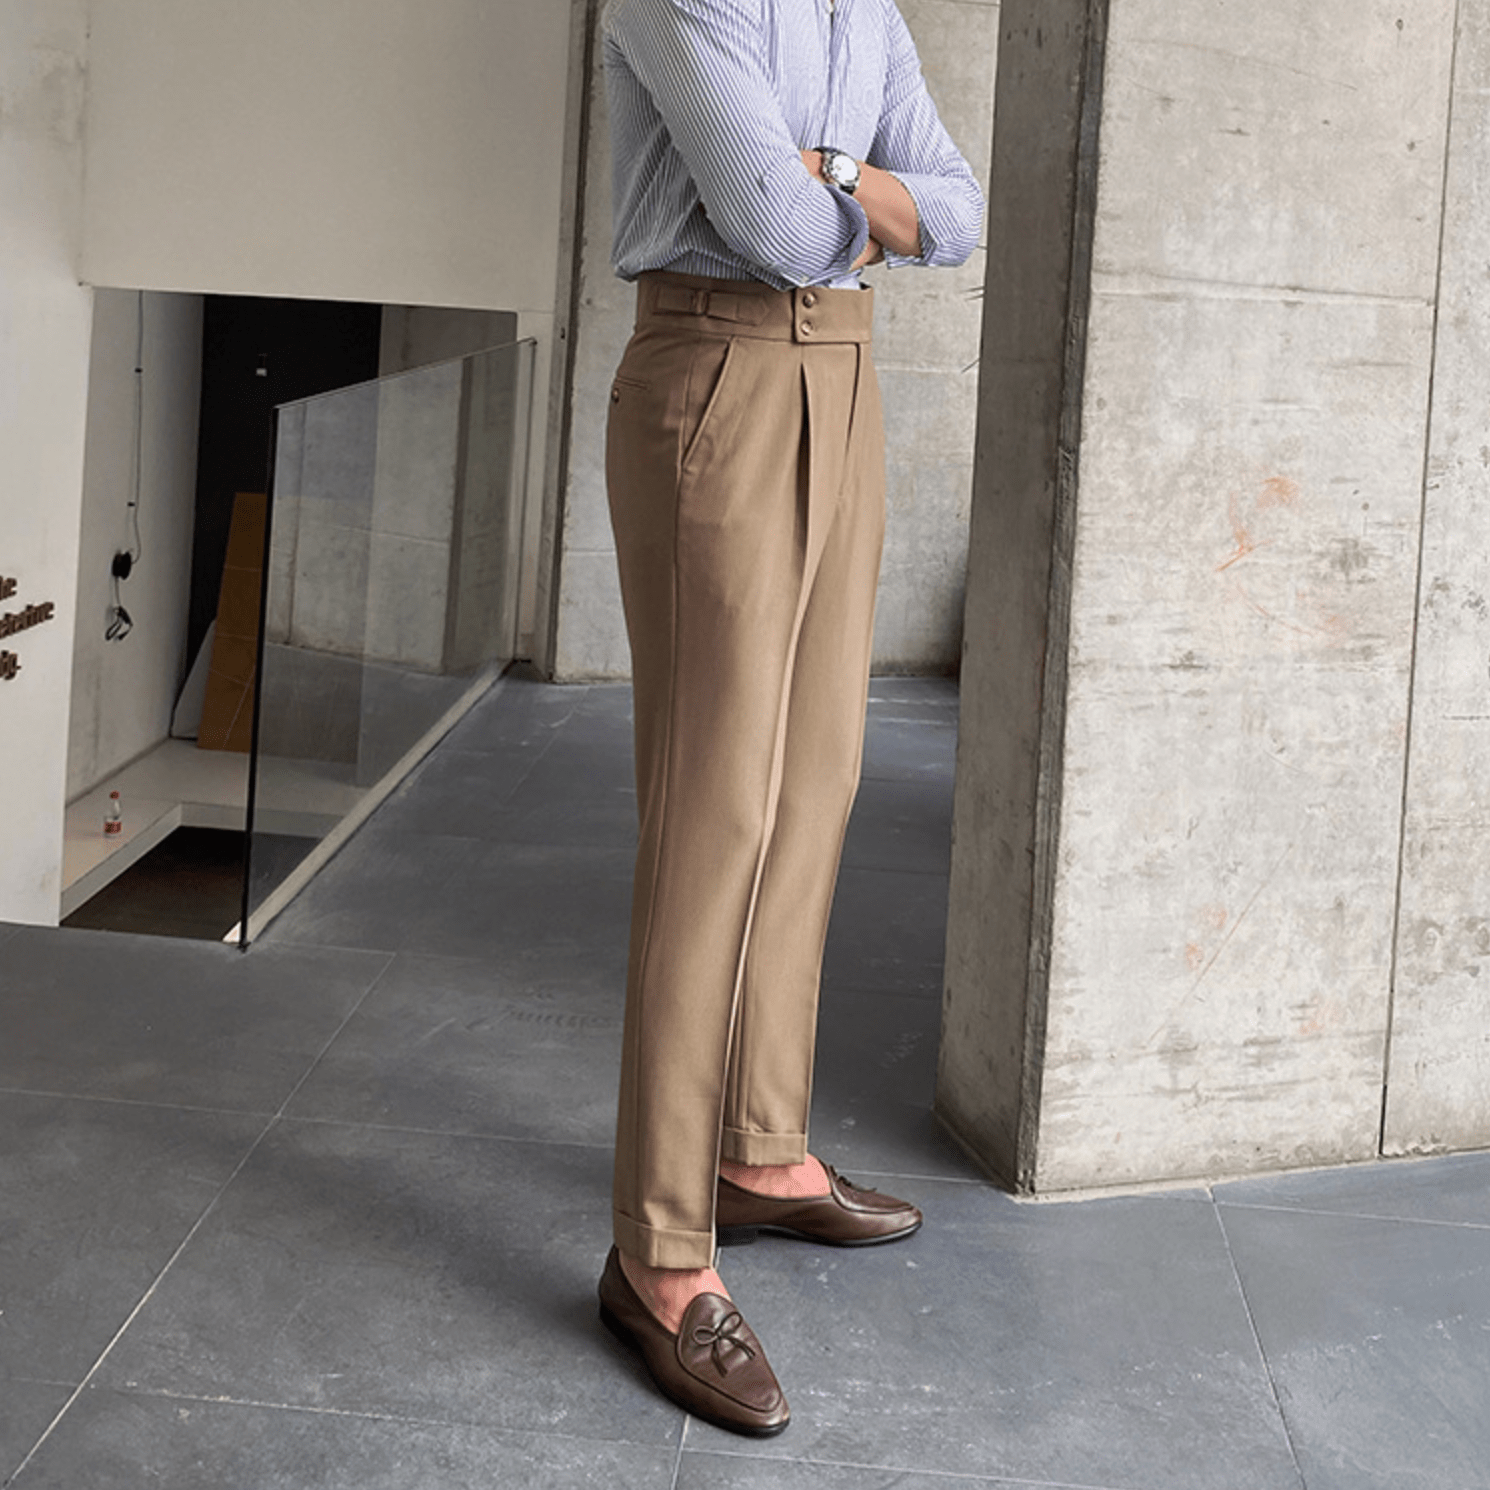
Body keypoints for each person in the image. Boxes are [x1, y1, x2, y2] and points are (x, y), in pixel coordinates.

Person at [595, 0, 984, 1436]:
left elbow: (961, 210)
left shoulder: (863, 8)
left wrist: (838, 184)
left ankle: (758, 1150)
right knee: (714, 813)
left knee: (816, 783)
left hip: (846, 375)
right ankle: (657, 1249)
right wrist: (864, 203)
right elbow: (765, 223)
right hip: (712, 372)